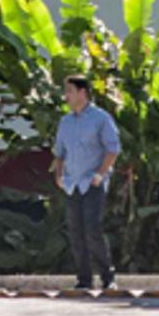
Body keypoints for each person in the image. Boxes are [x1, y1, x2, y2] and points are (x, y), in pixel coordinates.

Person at [51, 74, 121, 291]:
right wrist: (59, 177)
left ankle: (108, 278)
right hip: (72, 184)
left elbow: (113, 149)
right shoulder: (65, 121)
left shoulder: (101, 118)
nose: (66, 96)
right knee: (75, 232)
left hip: (92, 183)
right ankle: (84, 279)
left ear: (82, 93)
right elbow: (59, 153)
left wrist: (100, 174)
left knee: (93, 229)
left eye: (70, 91)